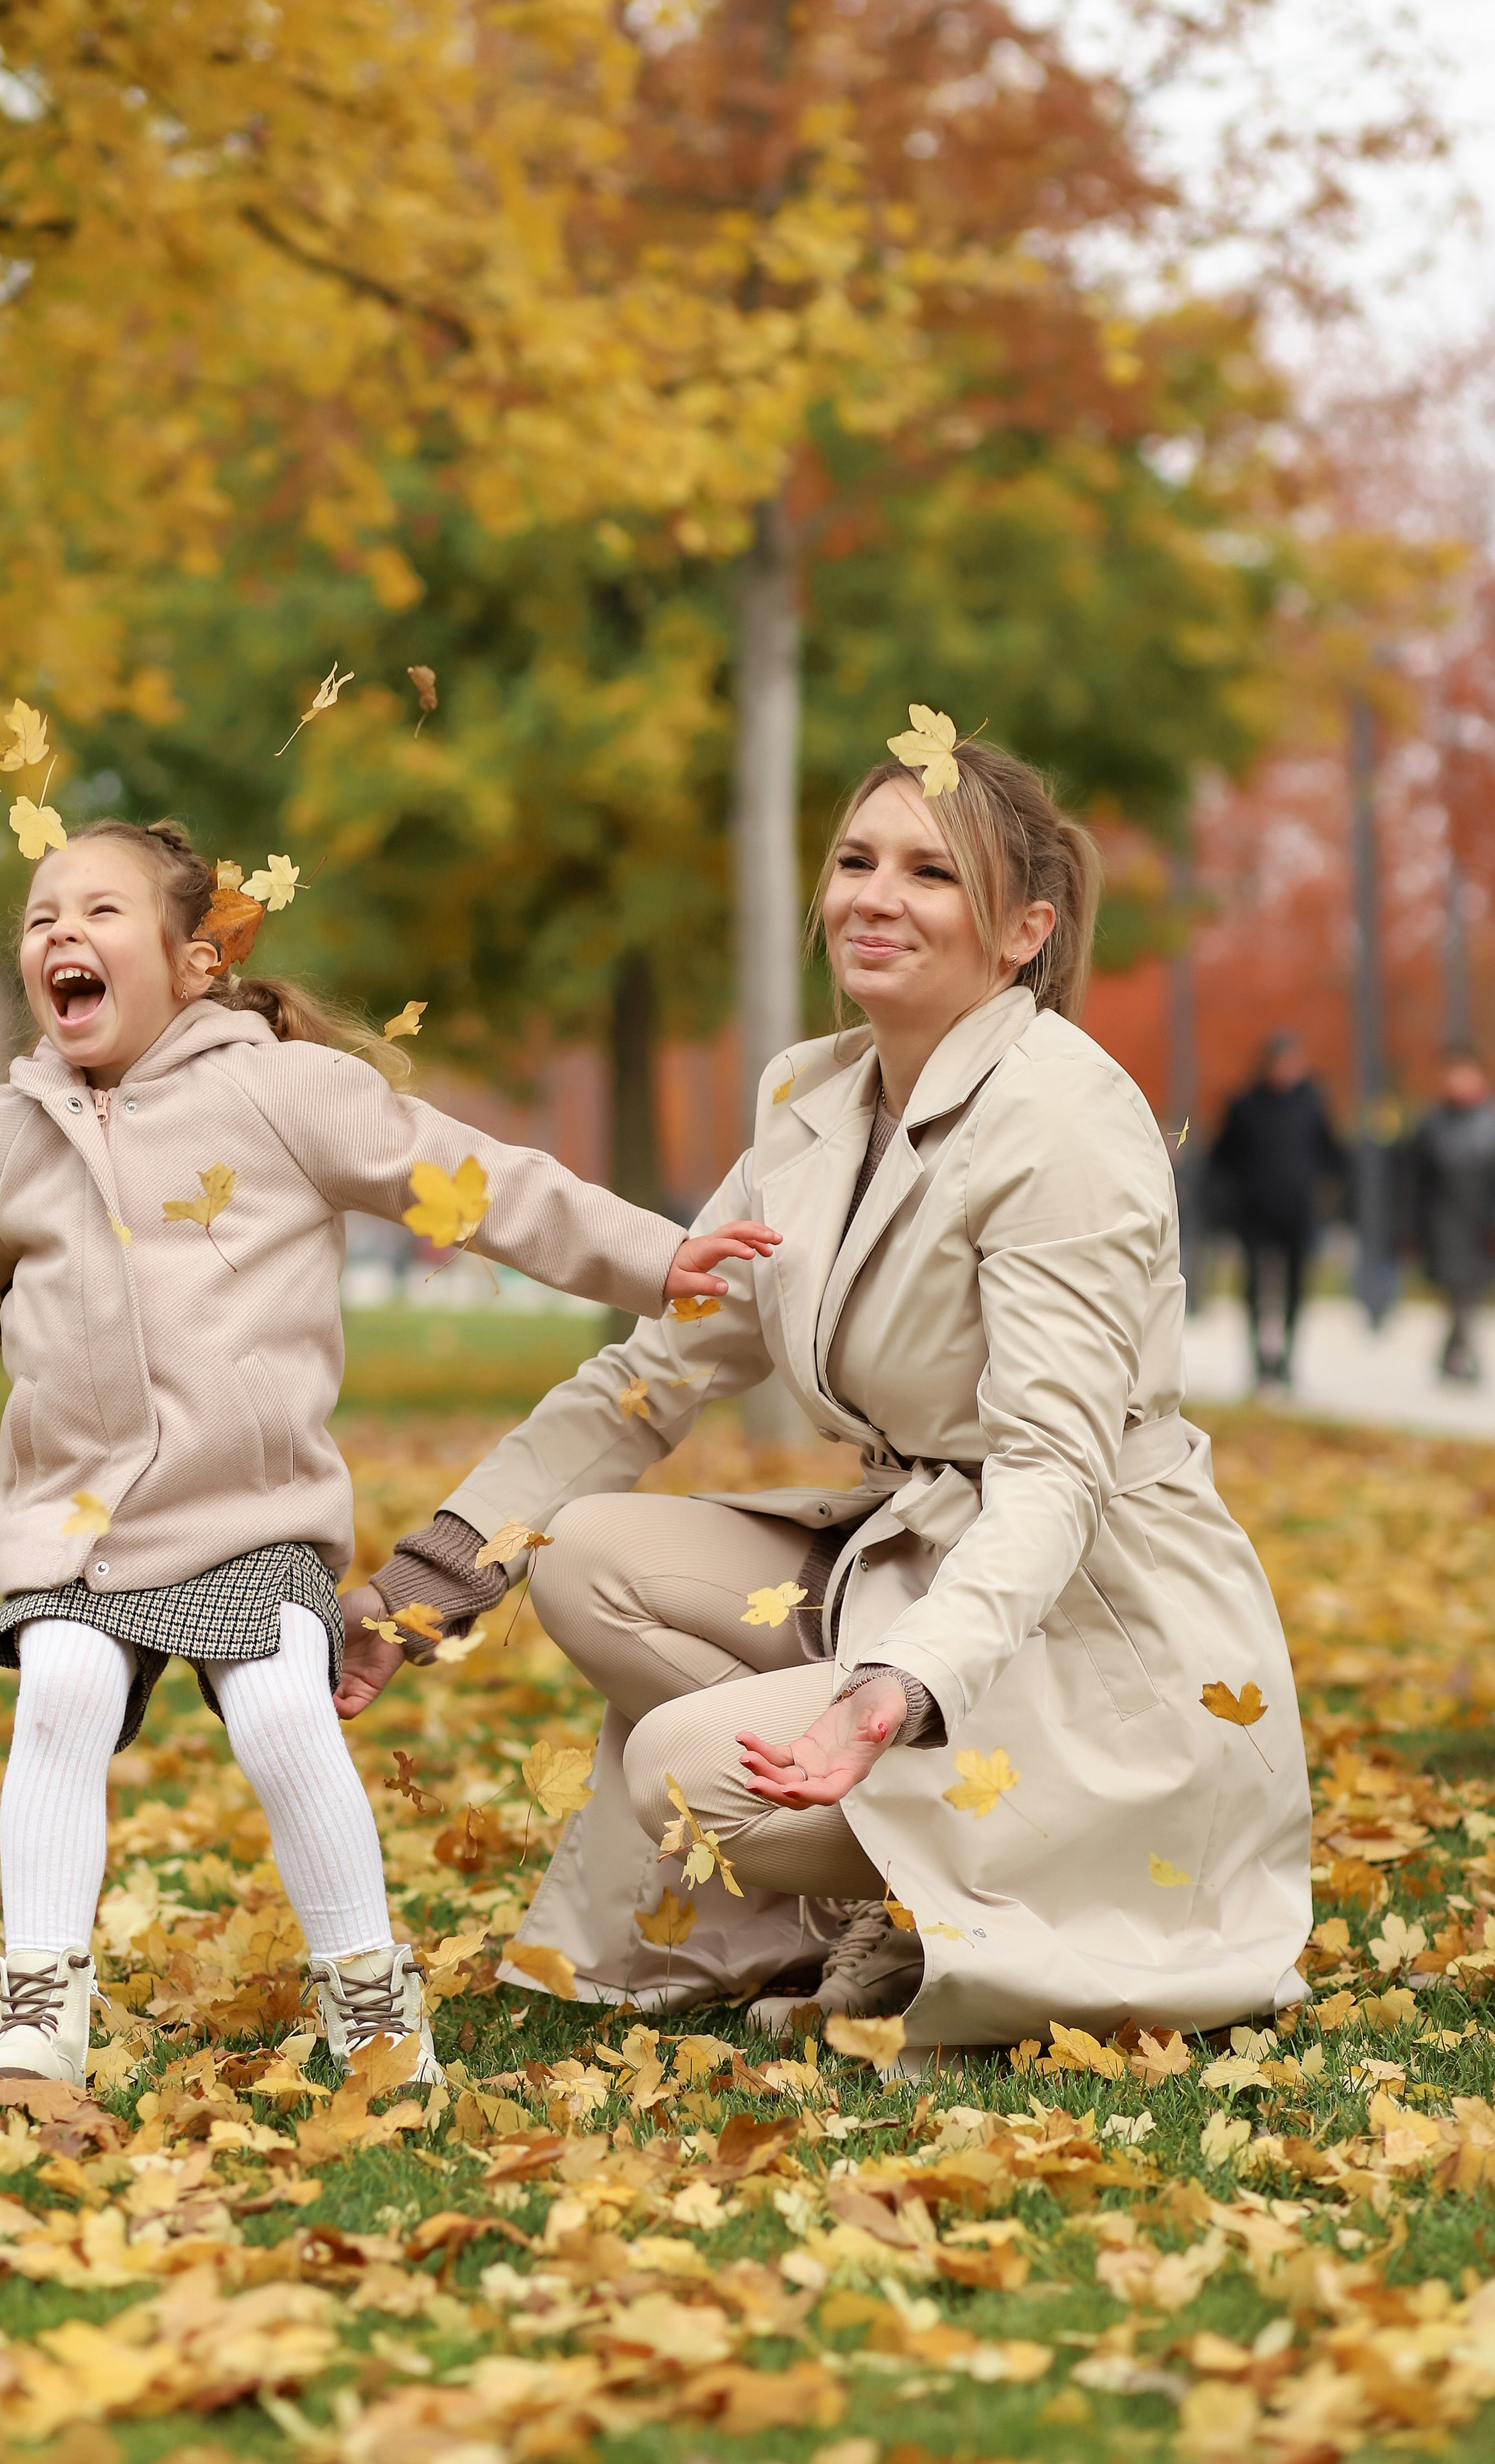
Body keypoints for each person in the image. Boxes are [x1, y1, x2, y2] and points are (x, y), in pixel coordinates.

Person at [0, 820, 768, 2087]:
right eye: (39, 916)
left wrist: (649, 1257)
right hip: (80, 1527)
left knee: (284, 1700)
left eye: (101, 912)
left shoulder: (281, 1093)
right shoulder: (8, 1137)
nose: (62, 931)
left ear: (195, 961)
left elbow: (474, 1180)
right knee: (59, 1690)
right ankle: (39, 2003)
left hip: (250, 1514)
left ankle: (370, 1998)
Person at [341, 723, 1313, 2050]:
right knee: (575, 1556)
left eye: (929, 872)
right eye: (857, 859)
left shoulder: (1067, 1123)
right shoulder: (814, 1100)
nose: (873, 894)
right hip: (906, 1553)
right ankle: (866, 1887)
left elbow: (1052, 1478)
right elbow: (651, 1375)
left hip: (1088, 1618)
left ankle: (920, 1893)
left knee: (682, 1771)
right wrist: (438, 1575)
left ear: (1023, 930)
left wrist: (902, 1691)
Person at [1208, 1033, 1346, 1389]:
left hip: (1299, 1212)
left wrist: (1332, 1192)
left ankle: (1286, 1356)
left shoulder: (1312, 1103)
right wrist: (1225, 1205)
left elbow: (1330, 1151)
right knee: (1255, 1287)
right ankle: (1259, 1359)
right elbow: (1222, 1159)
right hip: (1254, 1213)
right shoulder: (1245, 1105)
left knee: (1296, 1288)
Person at [1412, 1052, 1495, 1382]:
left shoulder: (1490, 1123)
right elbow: (1416, 1178)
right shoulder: (1433, 1125)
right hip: (1444, 1219)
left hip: (1481, 1220)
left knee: (1471, 1289)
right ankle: (1463, 1355)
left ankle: (1453, 1353)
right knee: (1454, 1288)